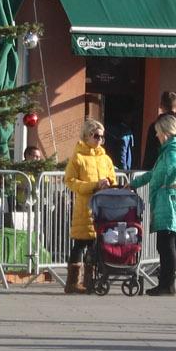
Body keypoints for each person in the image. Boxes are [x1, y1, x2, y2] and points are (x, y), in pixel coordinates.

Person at [132, 127, 176, 297]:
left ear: (166, 132)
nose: (157, 135)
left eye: (159, 132)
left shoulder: (171, 152)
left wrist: (168, 183)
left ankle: (167, 285)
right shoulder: (170, 151)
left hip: (168, 200)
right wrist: (134, 184)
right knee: (166, 244)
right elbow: (154, 174)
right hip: (170, 200)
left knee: (166, 244)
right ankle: (166, 284)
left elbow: (173, 171)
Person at [62, 119, 118, 295]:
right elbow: (70, 181)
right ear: (86, 136)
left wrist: (108, 183)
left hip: (102, 208)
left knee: (96, 246)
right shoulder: (78, 157)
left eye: (102, 137)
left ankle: (90, 280)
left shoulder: (105, 158)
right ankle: (72, 282)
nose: (100, 140)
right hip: (85, 207)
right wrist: (93, 185)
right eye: (96, 136)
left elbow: (113, 179)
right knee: (80, 244)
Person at [142, 91, 176, 171]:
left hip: (162, 174)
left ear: (160, 106)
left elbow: (150, 155)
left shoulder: (156, 126)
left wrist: (145, 173)